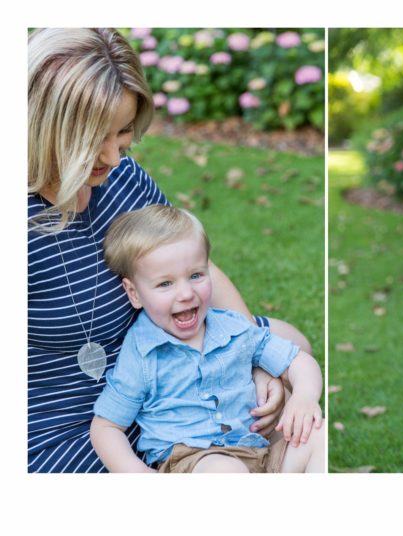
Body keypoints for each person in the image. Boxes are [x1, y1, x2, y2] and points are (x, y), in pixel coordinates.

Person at [27, 27, 312, 472]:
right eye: (94, 138)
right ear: (45, 126)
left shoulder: (122, 179)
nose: (114, 156)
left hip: (171, 366)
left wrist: (249, 365)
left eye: (122, 133)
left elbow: (197, 266)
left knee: (291, 345)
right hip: (81, 420)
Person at [90, 206, 324, 473]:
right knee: (226, 471)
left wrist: (304, 396)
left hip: (260, 450)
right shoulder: (142, 352)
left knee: (318, 434)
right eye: (165, 284)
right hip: (196, 461)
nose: (186, 293)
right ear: (134, 293)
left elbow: (298, 360)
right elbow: (106, 427)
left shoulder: (233, 327)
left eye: (196, 275)